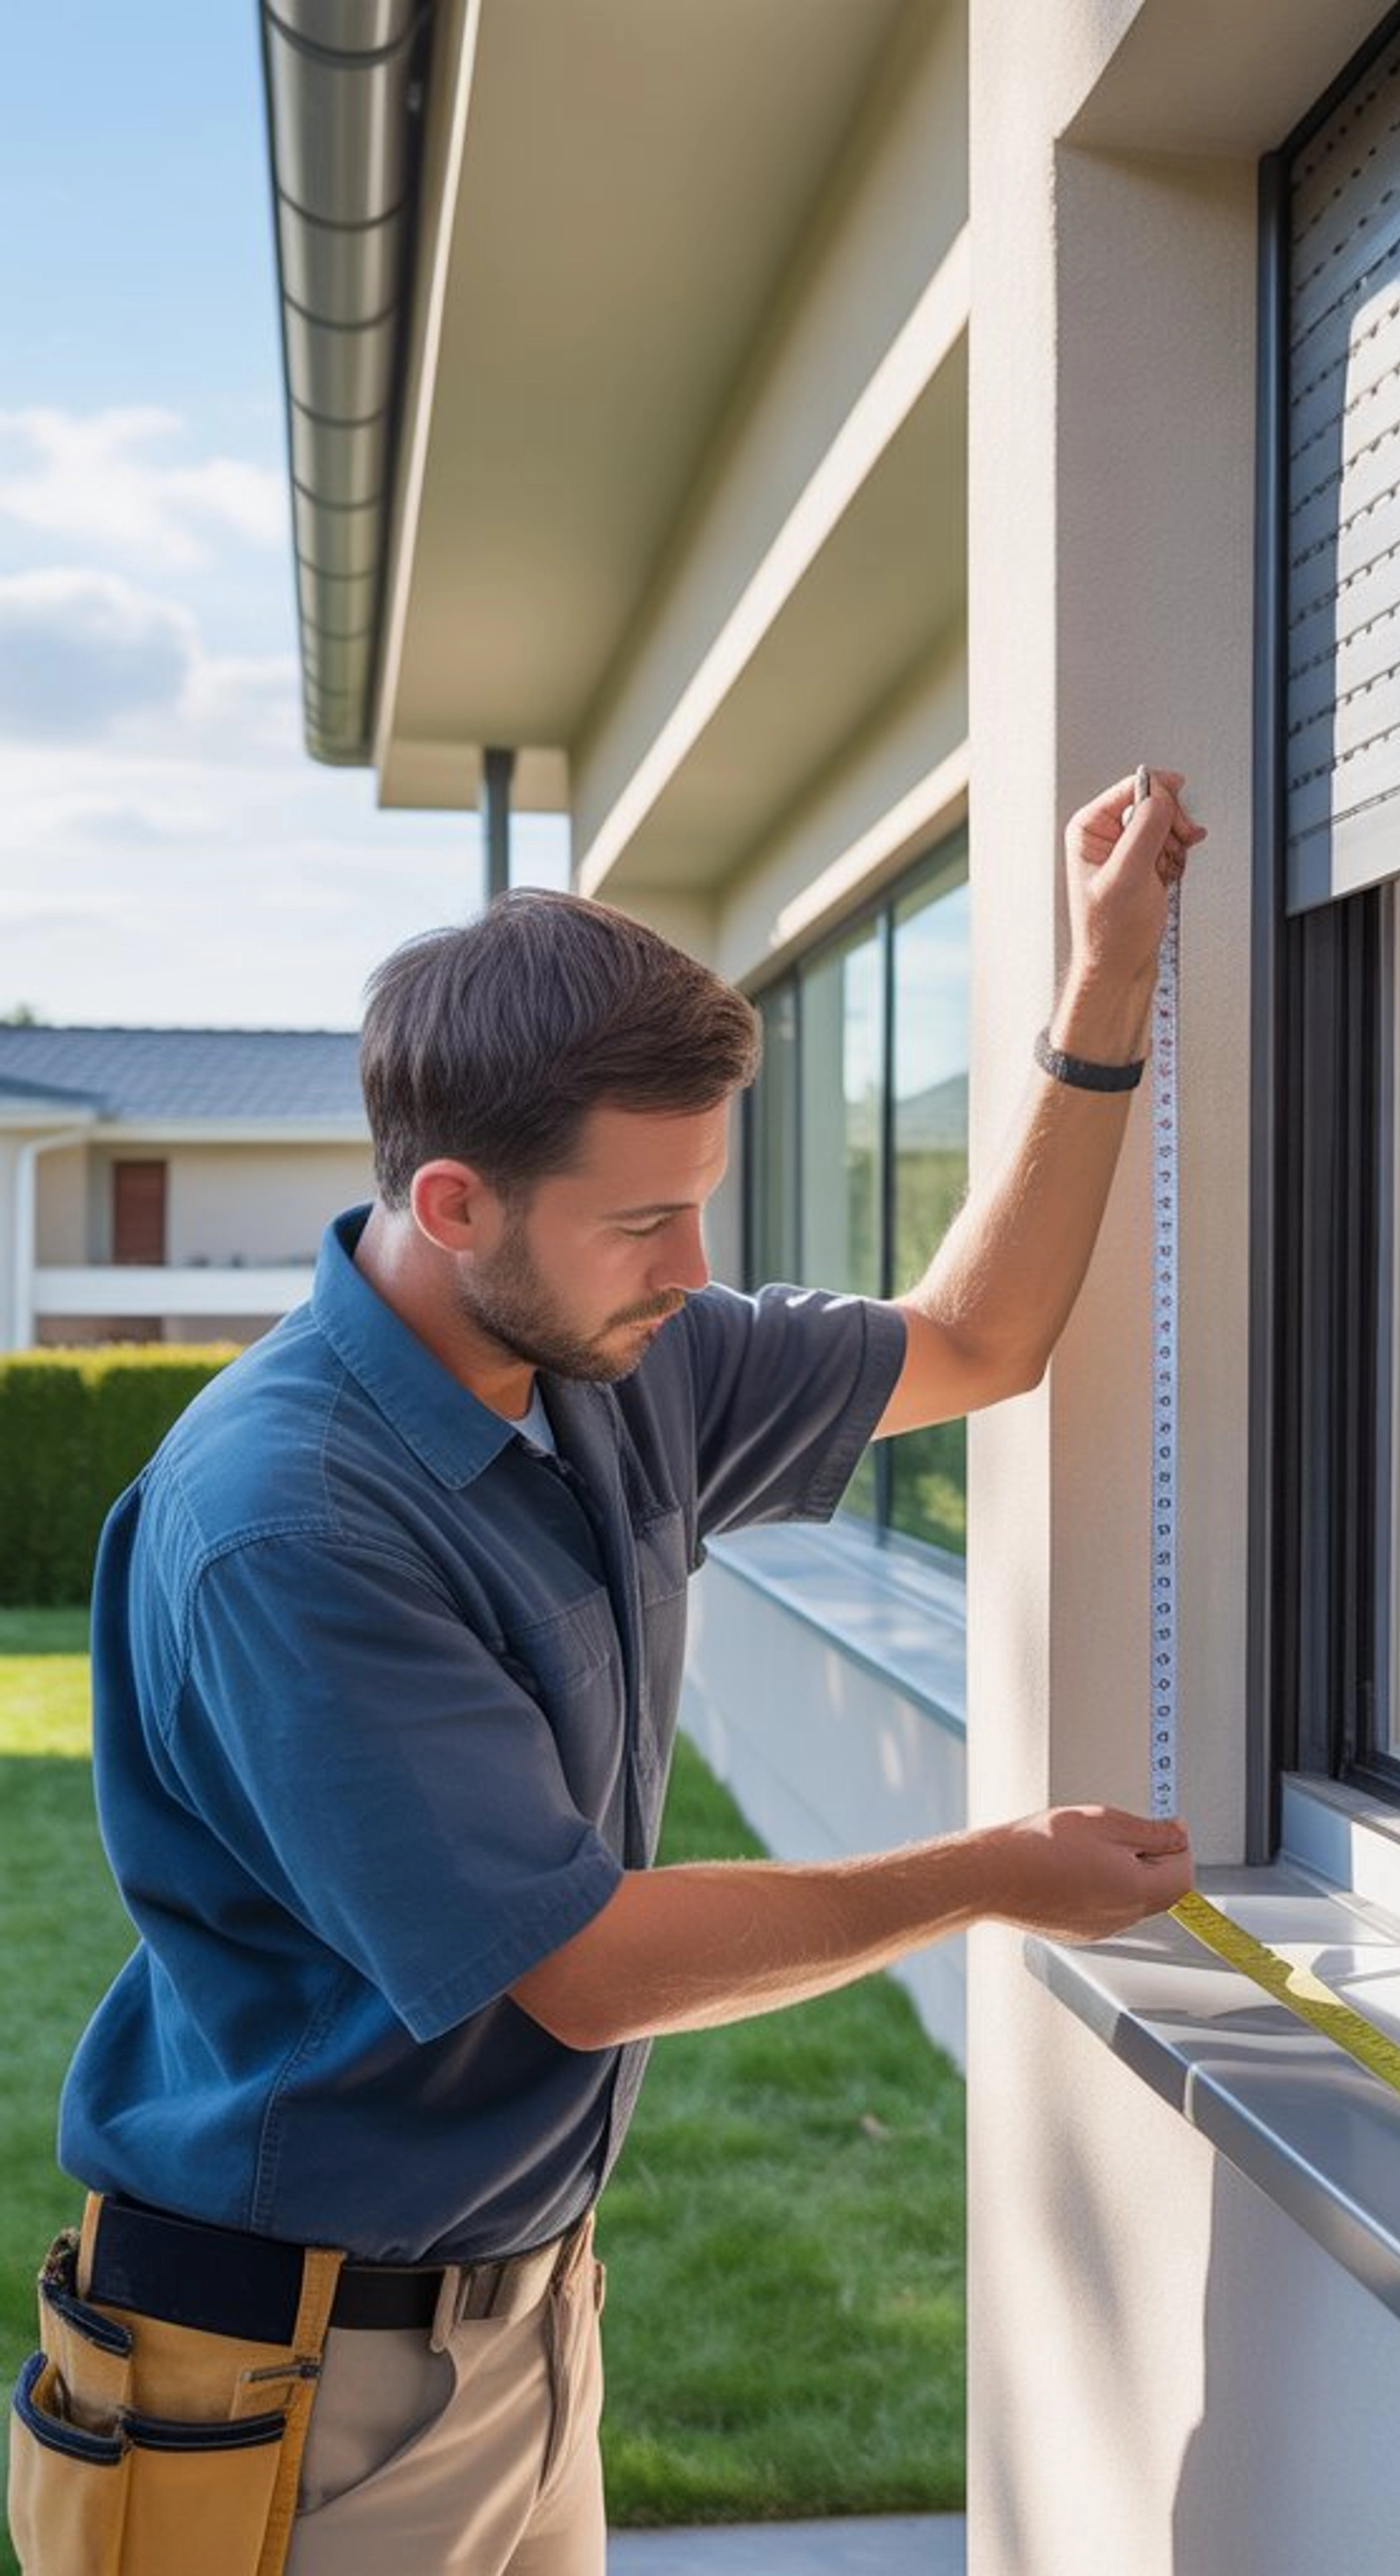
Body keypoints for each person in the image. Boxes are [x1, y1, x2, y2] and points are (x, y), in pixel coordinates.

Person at [7, 773, 1207, 2576]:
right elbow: (577, 1970)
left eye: (701, 1203)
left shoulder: (619, 1360)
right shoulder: (295, 1527)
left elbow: (981, 1339)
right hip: (288, 2390)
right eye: (643, 1220)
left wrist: (1104, 983)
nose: (697, 1266)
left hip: (513, 2325)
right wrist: (984, 1878)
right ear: (455, 1202)